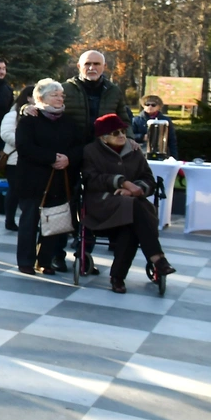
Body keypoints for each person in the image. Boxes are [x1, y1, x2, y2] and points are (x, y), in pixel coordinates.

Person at [82, 113, 175, 293]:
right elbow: (91, 180)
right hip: (103, 208)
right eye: (116, 132)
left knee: (130, 225)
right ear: (103, 137)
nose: (122, 135)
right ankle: (158, 259)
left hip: (130, 210)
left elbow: (148, 179)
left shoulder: (134, 150)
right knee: (135, 207)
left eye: (123, 131)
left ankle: (118, 278)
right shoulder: (91, 151)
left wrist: (136, 189)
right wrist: (122, 182)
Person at [61, 50, 129, 274]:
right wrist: (27, 108)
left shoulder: (113, 91)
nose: (92, 68)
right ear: (79, 66)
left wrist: (129, 141)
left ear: (104, 66)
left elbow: (124, 121)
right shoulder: (66, 89)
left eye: (96, 64)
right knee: (67, 202)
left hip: (101, 155)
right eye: (87, 64)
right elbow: (44, 106)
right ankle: (61, 249)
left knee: (95, 201)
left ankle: (86, 247)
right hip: (71, 154)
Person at [14, 80, 84, 275]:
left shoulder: (68, 121)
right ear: (40, 97)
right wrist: (52, 158)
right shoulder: (30, 119)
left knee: (55, 221)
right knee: (29, 221)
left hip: (60, 180)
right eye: (55, 95)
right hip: (33, 179)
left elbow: (80, 146)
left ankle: (44, 260)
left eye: (61, 95)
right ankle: (26, 261)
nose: (60, 98)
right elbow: (24, 146)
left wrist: (68, 159)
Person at [0, 83, 35, 232]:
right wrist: (24, 143)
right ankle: (10, 220)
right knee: (14, 190)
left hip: (30, 159)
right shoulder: (13, 114)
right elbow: (5, 134)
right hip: (15, 159)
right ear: (28, 97)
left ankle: (26, 221)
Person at [130, 94, 178, 159]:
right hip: (141, 153)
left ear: (159, 107)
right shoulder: (136, 120)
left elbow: (172, 140)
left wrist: (174, 157)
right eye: (147, 104)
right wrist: (142, 137)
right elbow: (129, 136)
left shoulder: (166, 121)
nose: (150, 106)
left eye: (153, 105)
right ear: (143, 105)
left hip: (162, 153)